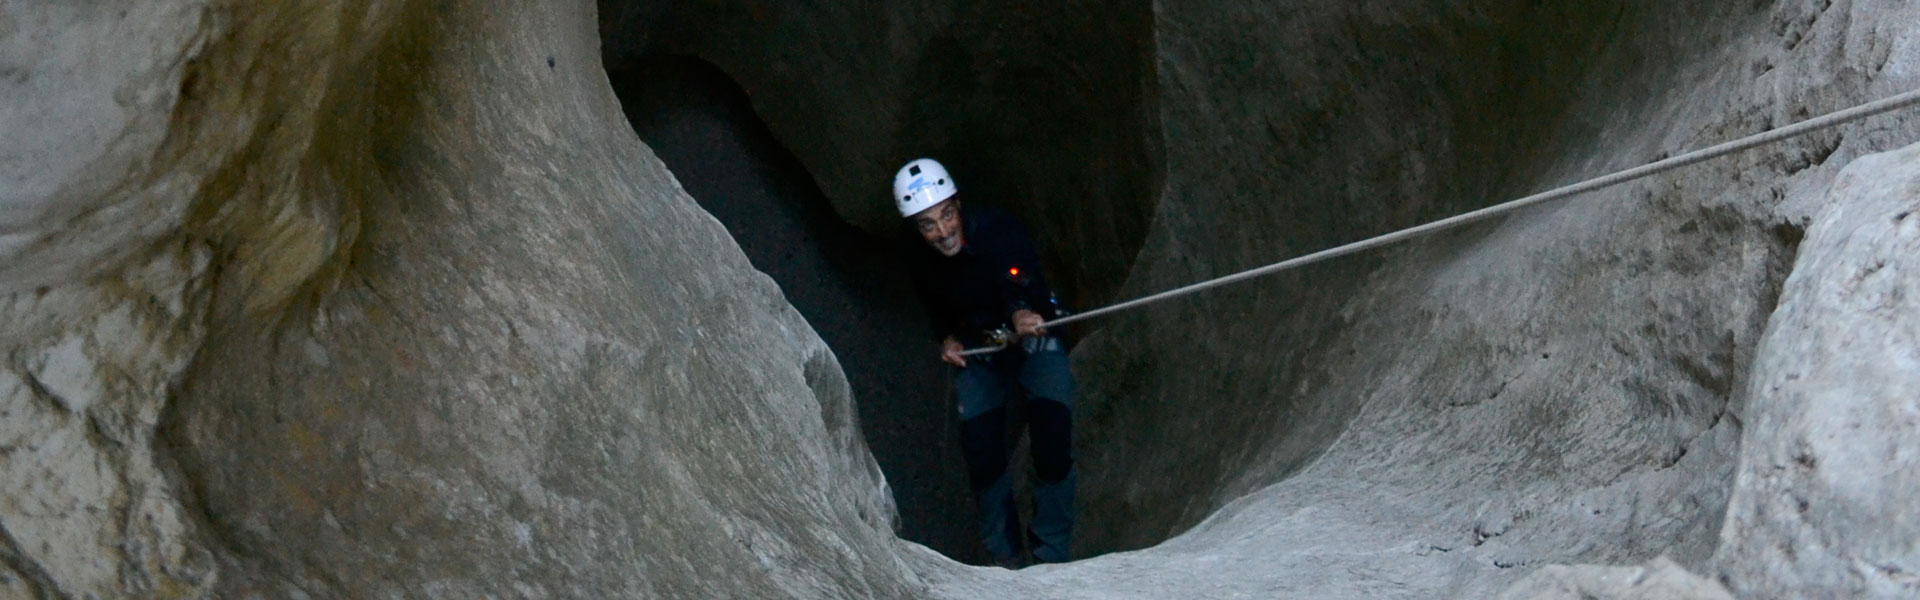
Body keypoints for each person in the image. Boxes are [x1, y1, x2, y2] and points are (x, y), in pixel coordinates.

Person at [892, 158, 1075, 568]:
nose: (942, 231)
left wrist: (1021, 314)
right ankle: (1005, 559)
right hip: (980, 348)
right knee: (982, 454)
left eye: (946, 215)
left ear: (958, 205)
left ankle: (1052, 552)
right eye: (928, 224)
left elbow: (1020, 277)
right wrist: (947, 339)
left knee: (1053, 435)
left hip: (1034, 333)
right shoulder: (919, 259)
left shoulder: (999, 229)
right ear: (917, 229)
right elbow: (934, 306)